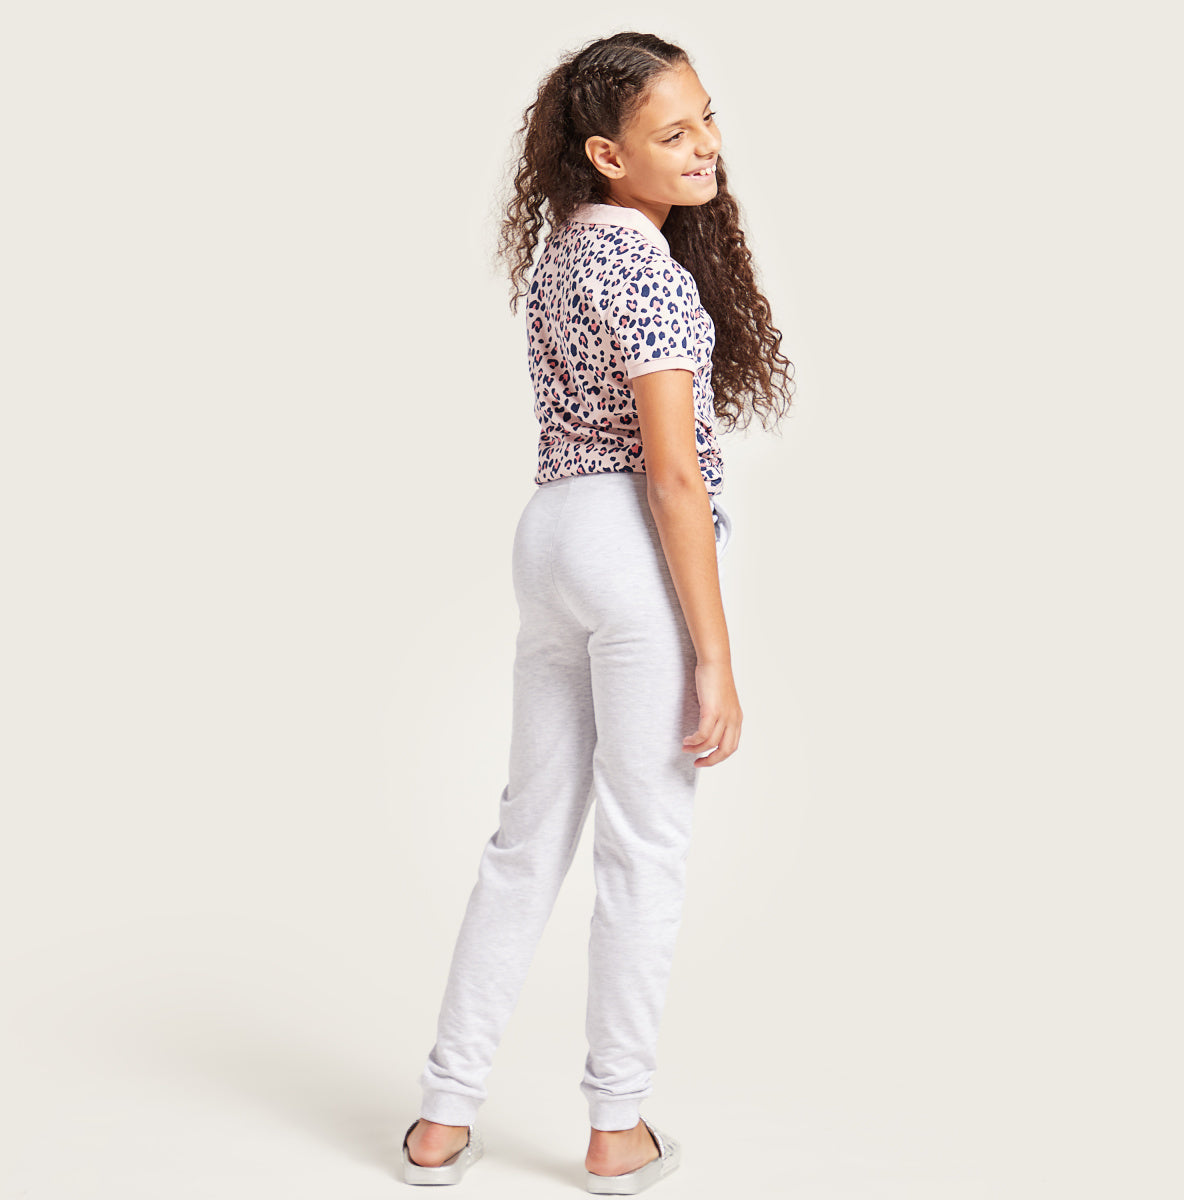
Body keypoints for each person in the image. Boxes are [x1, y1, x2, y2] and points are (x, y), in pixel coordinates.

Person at [400, 30, 793, 1192]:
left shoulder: (566, 252)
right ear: (608, 155)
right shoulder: (652, 276)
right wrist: (714, 657)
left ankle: (441, 1117)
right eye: (675, 133)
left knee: (526, 841)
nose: (706, 146)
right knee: (643, 850)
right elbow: (671, 476)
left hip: (551, 538)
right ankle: (616, 1128)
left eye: (708, 119)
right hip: (629, 546)